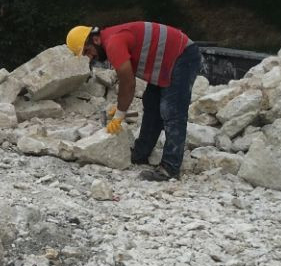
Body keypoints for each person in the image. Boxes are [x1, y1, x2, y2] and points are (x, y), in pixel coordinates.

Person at [66, 22, 201, 182]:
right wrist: (120, 106)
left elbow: (128, 83)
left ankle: (170, 168)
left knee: (172, 110)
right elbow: (127, 81)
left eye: (88, 51)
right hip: (167, 60)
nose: (90, 57)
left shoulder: (113, 43)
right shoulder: (111, 39)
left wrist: (120, 114)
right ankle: (141, 153)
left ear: (95, 39)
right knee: (152, 103)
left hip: (182, 55)